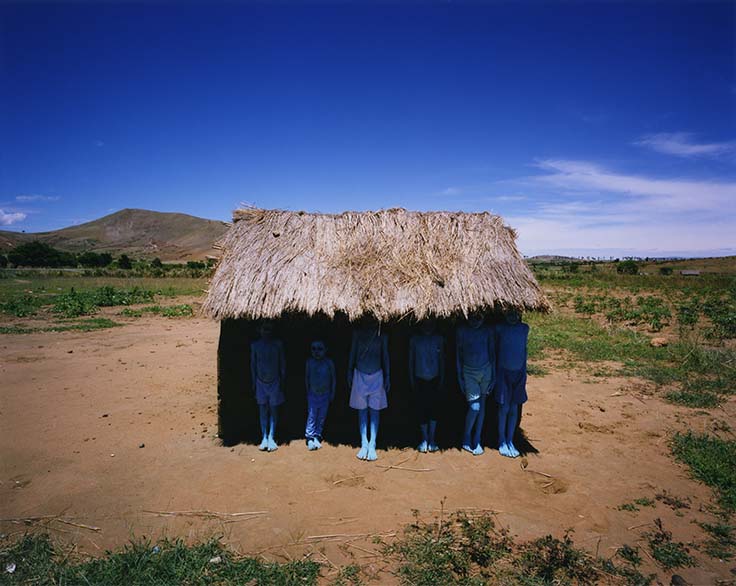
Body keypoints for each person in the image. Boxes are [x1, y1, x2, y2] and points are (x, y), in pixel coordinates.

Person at [348, 317, 390, 461]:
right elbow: (352, 353)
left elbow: (385, 356)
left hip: (377, 375)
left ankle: (373, 443)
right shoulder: (357, 334)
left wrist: (388, 376)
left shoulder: (382, 336)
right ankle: (364, 443)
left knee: (374, 411)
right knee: (362, 411)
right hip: (359, 374)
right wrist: (349, 372)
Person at [456, 312, 495, 455]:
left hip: (486, 370)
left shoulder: (487, 331)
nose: (475, 321)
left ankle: (477, 438)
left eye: (478, 317)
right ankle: (466, 435)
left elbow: (492, 354)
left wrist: (494, 375)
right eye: (471, 318)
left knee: (482, 405)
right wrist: (460, 376)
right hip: (469, 372)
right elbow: (458, 355)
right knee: (475, 407)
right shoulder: (462, 331)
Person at [494, 310, 529, 458]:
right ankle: (501, 440)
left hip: (519, 373)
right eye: (509, 314)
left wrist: (524, 371)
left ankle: (510, 439)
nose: (512, 317)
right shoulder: (500, 328)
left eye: (515, 314)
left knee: (514, 408)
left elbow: (524, 350)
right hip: (503, 372)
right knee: (504, 408)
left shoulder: (524, 328)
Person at [409, 319, 445, 453]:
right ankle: (424, 439)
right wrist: (411, 378)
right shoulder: (415, 340)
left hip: (434, 378)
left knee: (434, 409)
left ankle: (432, 438)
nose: (427, 327)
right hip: (420, 379)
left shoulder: (438, 339)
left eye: (430, 325)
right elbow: (411, 360)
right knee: (422, 409)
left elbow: (442, 360)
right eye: (425, 325)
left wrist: (442, 378)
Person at [250, 320, 286, 452]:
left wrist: (282, 382)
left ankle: (272, 436)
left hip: (275, 382)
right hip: (260, 382)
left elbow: (282, 364)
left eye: (269, 329)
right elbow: (253, 365)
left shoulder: (278, 345)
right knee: (263, 409)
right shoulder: (255, 346)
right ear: (259, 330)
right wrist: (254, 382)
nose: (267, 332)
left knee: (273, 410)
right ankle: (263, 437)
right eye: (264, 329)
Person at [304, 339, 336, 450]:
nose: (316, 352)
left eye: (320, 349)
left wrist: (332, 392)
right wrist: (308, 391)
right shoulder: (309, 362)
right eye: (314, 349)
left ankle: (317, 435)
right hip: (313, 394)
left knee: (321, 416)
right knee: (312, 415)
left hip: (325, 394)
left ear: (326, 350)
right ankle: (309, 437)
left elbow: (333, 378)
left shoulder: (329, 363)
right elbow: (307, 377)